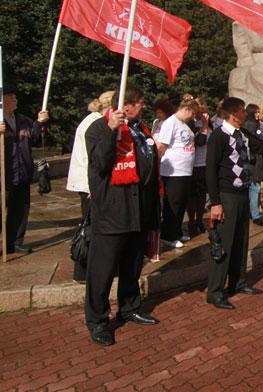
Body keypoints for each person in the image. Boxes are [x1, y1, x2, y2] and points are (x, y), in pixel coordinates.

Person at [84, 84, 161, 346]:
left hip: (138, 210)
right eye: (139, 102)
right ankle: (98, 320)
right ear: (126, 105)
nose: (143, 106)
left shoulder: (140, 129)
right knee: (103, 269)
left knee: (132, 264)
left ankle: (130, 306)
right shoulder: (99, 128)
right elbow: (99, 163)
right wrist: (111, 130)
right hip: (113, 211)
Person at [204, 97, 263, 310]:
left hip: (242, 193)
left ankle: (237, 282)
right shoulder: (219, 136)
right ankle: (215, 291)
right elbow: (210, 170)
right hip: (226, 196)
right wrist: (215, 203)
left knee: (241, 240)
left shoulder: (243, 133)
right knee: (224, 243)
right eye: (241, 110)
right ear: (233, 114)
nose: (245, 114)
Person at [0, 86, 48, 261]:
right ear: (2, 100)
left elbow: (35, 140)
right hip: (1, 175)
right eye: (11, 97)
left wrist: (39, 123)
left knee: (19, 211)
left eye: (15, 97)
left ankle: (14, 242)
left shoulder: (23, 120)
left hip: (22, 173)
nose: (15, 99)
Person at [66, 90, 114, 281]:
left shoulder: (91, 120)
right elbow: (91, 158)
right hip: (89, 185)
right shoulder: (95, 124)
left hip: (88, 183)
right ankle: (83, 269)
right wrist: (93, 186)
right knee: (90, 228)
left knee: (91, 226)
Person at [156, 98, 198, 248]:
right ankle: (168, 235)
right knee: (173, 204)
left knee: (181, 203)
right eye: (192, 114)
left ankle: (176, 232)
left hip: (185, 170)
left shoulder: (183, 124)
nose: (192, 117)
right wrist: (157, 167)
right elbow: (162, 146)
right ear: (186, 109)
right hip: (174, 171)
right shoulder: (170, 123)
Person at [187, 97, 211, 237]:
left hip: (204, 163)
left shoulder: (209, 123)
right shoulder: (190, 123)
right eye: (198, 111)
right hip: (192, 164)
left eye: (202, 111)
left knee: (202, 195)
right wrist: (204, 126)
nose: (200, 114)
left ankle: (199, 220)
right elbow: (200, 141)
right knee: (191, 196)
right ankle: (191, 221)